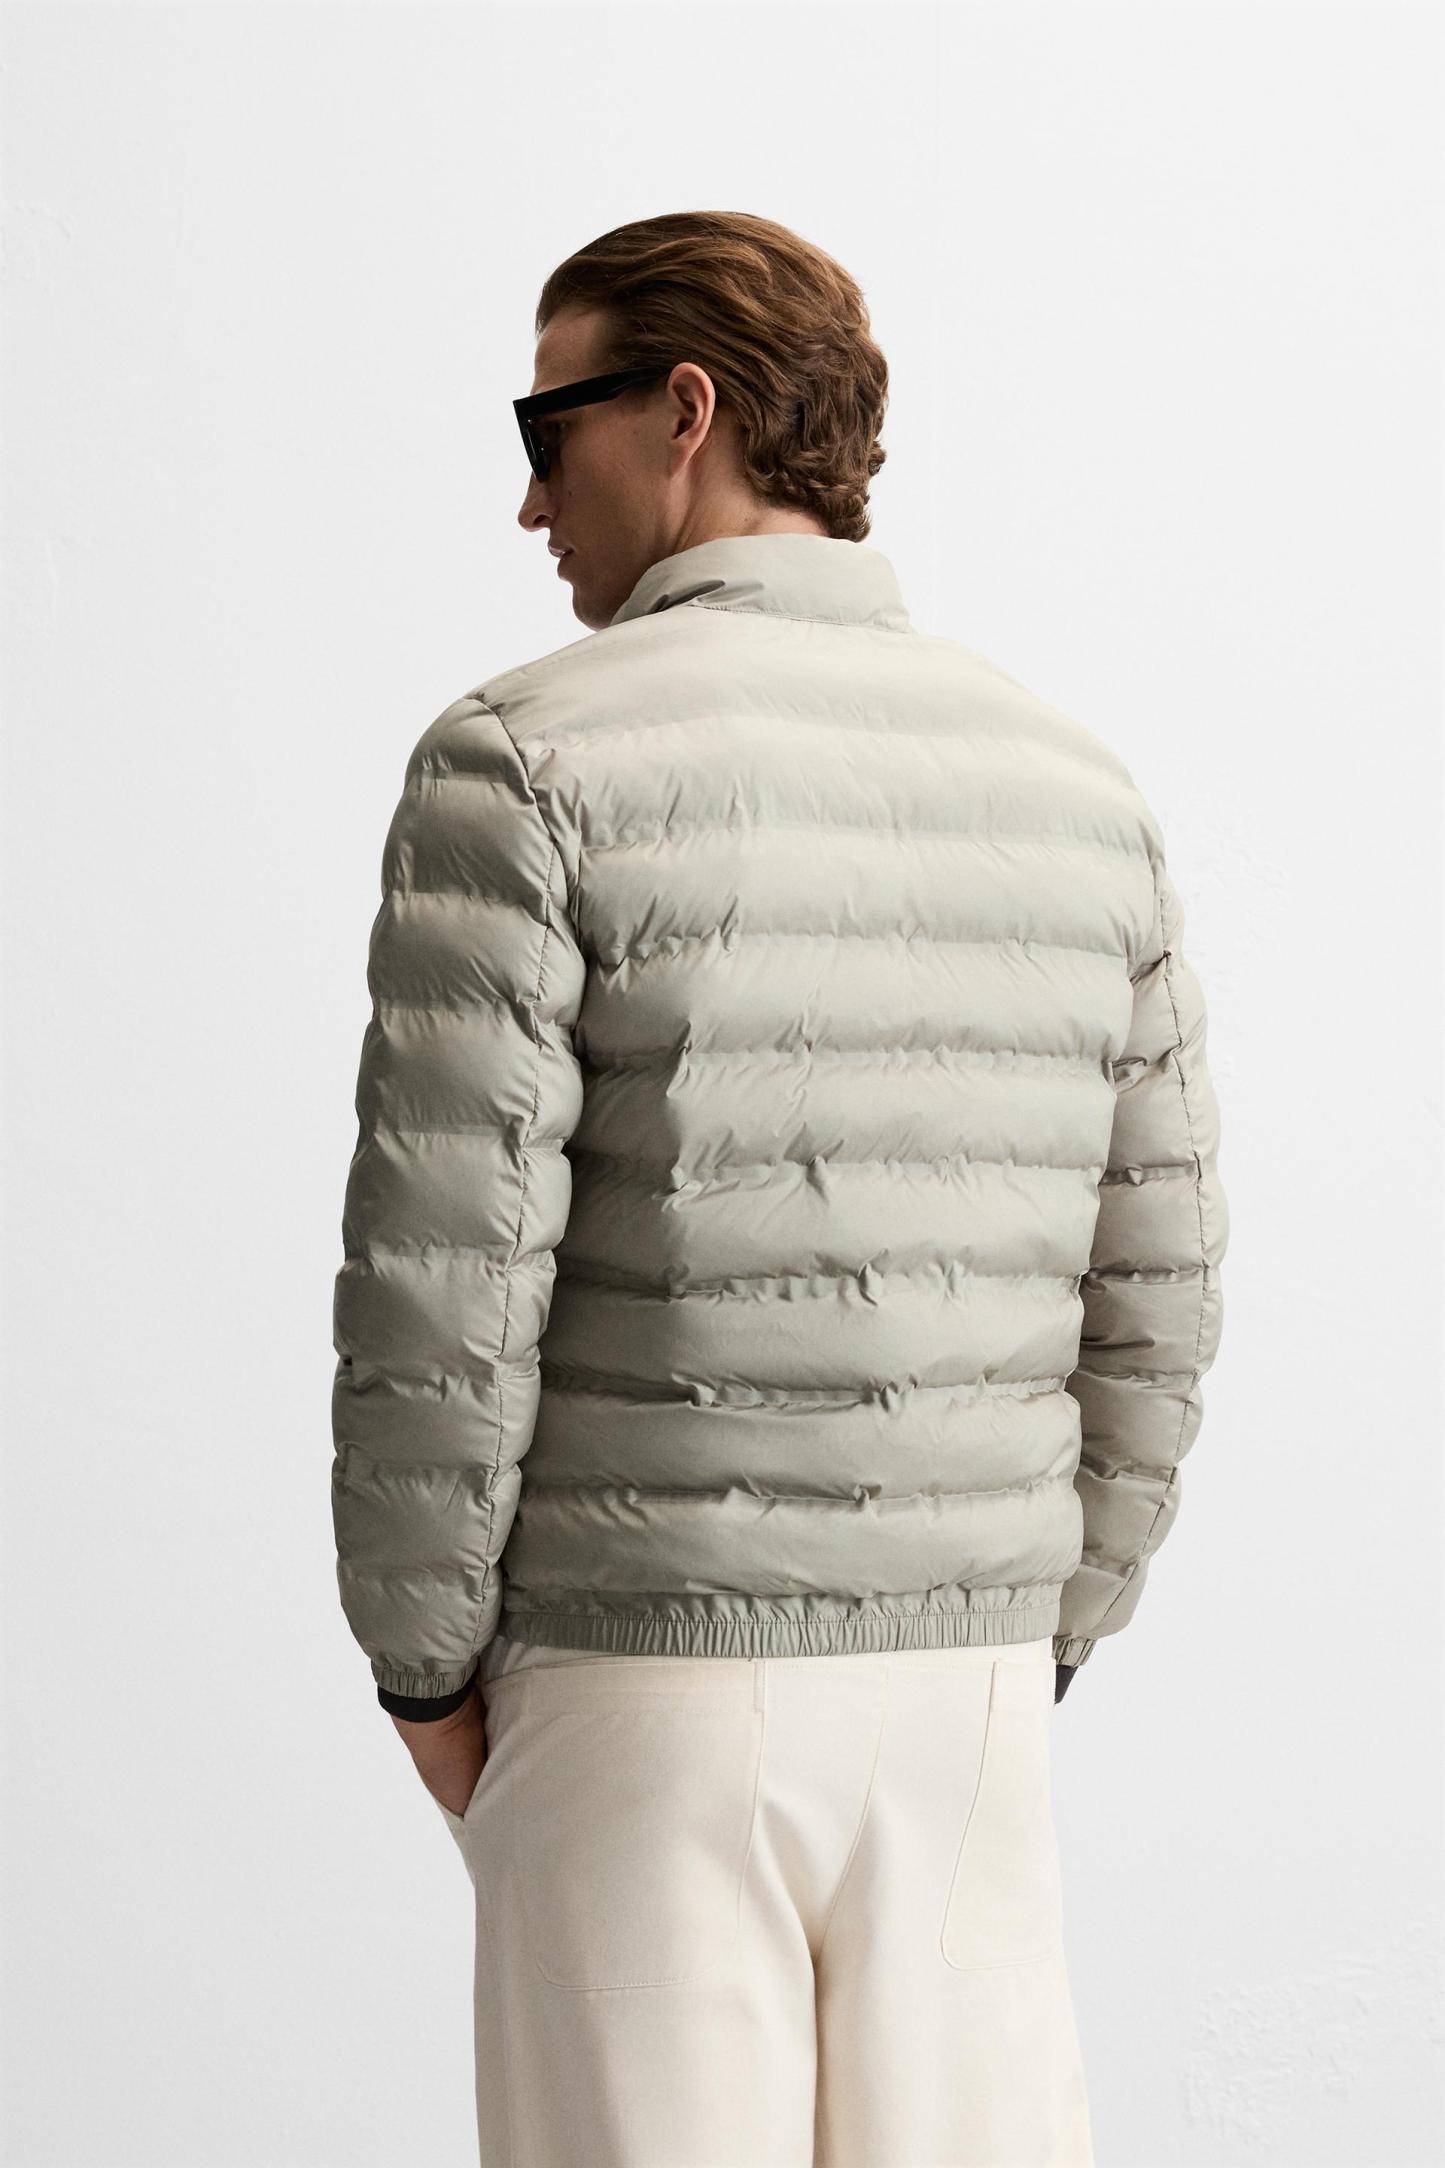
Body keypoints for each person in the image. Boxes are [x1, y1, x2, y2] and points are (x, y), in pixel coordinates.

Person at [329, 209, 1227, 2168]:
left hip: (641, 1678)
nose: (526, 499)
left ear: (686, 410)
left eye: (545, 426)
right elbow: (1156, 1283)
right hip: (971, 1693)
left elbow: (443, 1285)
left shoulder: (521, 762)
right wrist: (1040, 1628)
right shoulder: (1076, 785)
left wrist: (420, 1664)